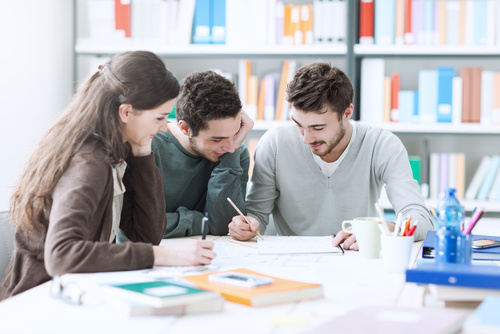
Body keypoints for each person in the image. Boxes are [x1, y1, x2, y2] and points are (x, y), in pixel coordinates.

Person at [0, 51, 215, 301]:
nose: (164, 126)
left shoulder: (120, 149)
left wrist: (143, 153)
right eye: (159, 117)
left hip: (77, 291)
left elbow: (146, 237)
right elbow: (61, 255)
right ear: (125, 112)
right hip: (37, 301)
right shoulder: (89, 162)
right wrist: (162, 257)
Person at [228, 62, 434, 249]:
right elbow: (257, 216)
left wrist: (383, 230)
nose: (307, 138)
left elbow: (420, 218)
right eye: (299, 125)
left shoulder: (381, 145)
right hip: (291, 262)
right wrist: (245, 226)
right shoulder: (274, 143)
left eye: (318, 127)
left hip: (355, 259)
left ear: (347, 112)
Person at [149, 70, 253, 238]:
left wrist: (229, 159)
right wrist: (203, 221)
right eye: (217, 139)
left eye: (234, 134)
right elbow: (141, 227)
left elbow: (223, 225)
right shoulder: (151, 148)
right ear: (185, 128)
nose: (230, 147)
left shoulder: (235, 153)